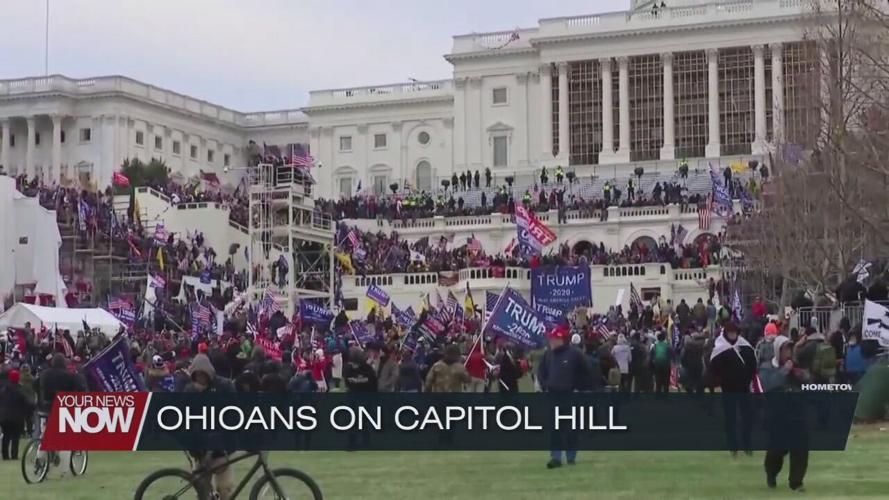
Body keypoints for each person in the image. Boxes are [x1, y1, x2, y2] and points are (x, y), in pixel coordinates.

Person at [538, 324, 593, 469]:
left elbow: (587, 372)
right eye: (550, 339)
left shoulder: (575, 354)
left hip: (571, 397)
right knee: (554, 428)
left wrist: (579, 388)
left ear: (562, 339)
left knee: (571, 429)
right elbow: (541, 372)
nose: (551, 341)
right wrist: (545, 385)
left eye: (554, 338)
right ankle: (555, 457)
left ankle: (571, 456)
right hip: (553, 396)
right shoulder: (548, 354)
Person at [759, 336, 809, 491]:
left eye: (789, 349)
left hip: (796, 414)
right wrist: (784, 371)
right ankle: (771, 474)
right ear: (778, 351)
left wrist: (803, 377)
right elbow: (768, 385)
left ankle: (796, 482)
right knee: (777, 450)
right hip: (776, 416)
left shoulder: (796, 366)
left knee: (800, 448)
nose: (788, 353)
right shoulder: (767, 367)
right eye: (785, 349)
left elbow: (809, 381)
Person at [184, 353, 235, 500]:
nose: (201, 378)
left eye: (203, 375)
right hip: (200, 449)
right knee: (202, 490)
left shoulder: (224, 387)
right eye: (197, 375)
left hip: (222, 448)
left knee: (225, 489)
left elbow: (234, 414)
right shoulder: (189, 391)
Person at [708, 323, 757, 456]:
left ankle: (747, 444)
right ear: (725, 334)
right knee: (730, 418)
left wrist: (750, 378)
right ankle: (733, 445)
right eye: (730, 333)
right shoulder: (720, 349)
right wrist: (717, 382)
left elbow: (753, 364)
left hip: (744, 388)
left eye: (735, 333)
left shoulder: (745, 347)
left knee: (748, 417)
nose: (733, 335)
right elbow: (713, 369)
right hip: (728, 389)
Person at [0, 369, 35, 460]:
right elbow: (27, 404)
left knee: (6, 436)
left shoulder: (3, 391)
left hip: (4, 417)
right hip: (17, 418)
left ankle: (5, 455)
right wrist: (30, 411)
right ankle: (14, 455)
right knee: (15, 437)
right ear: (18, 378)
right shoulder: (20, 391)